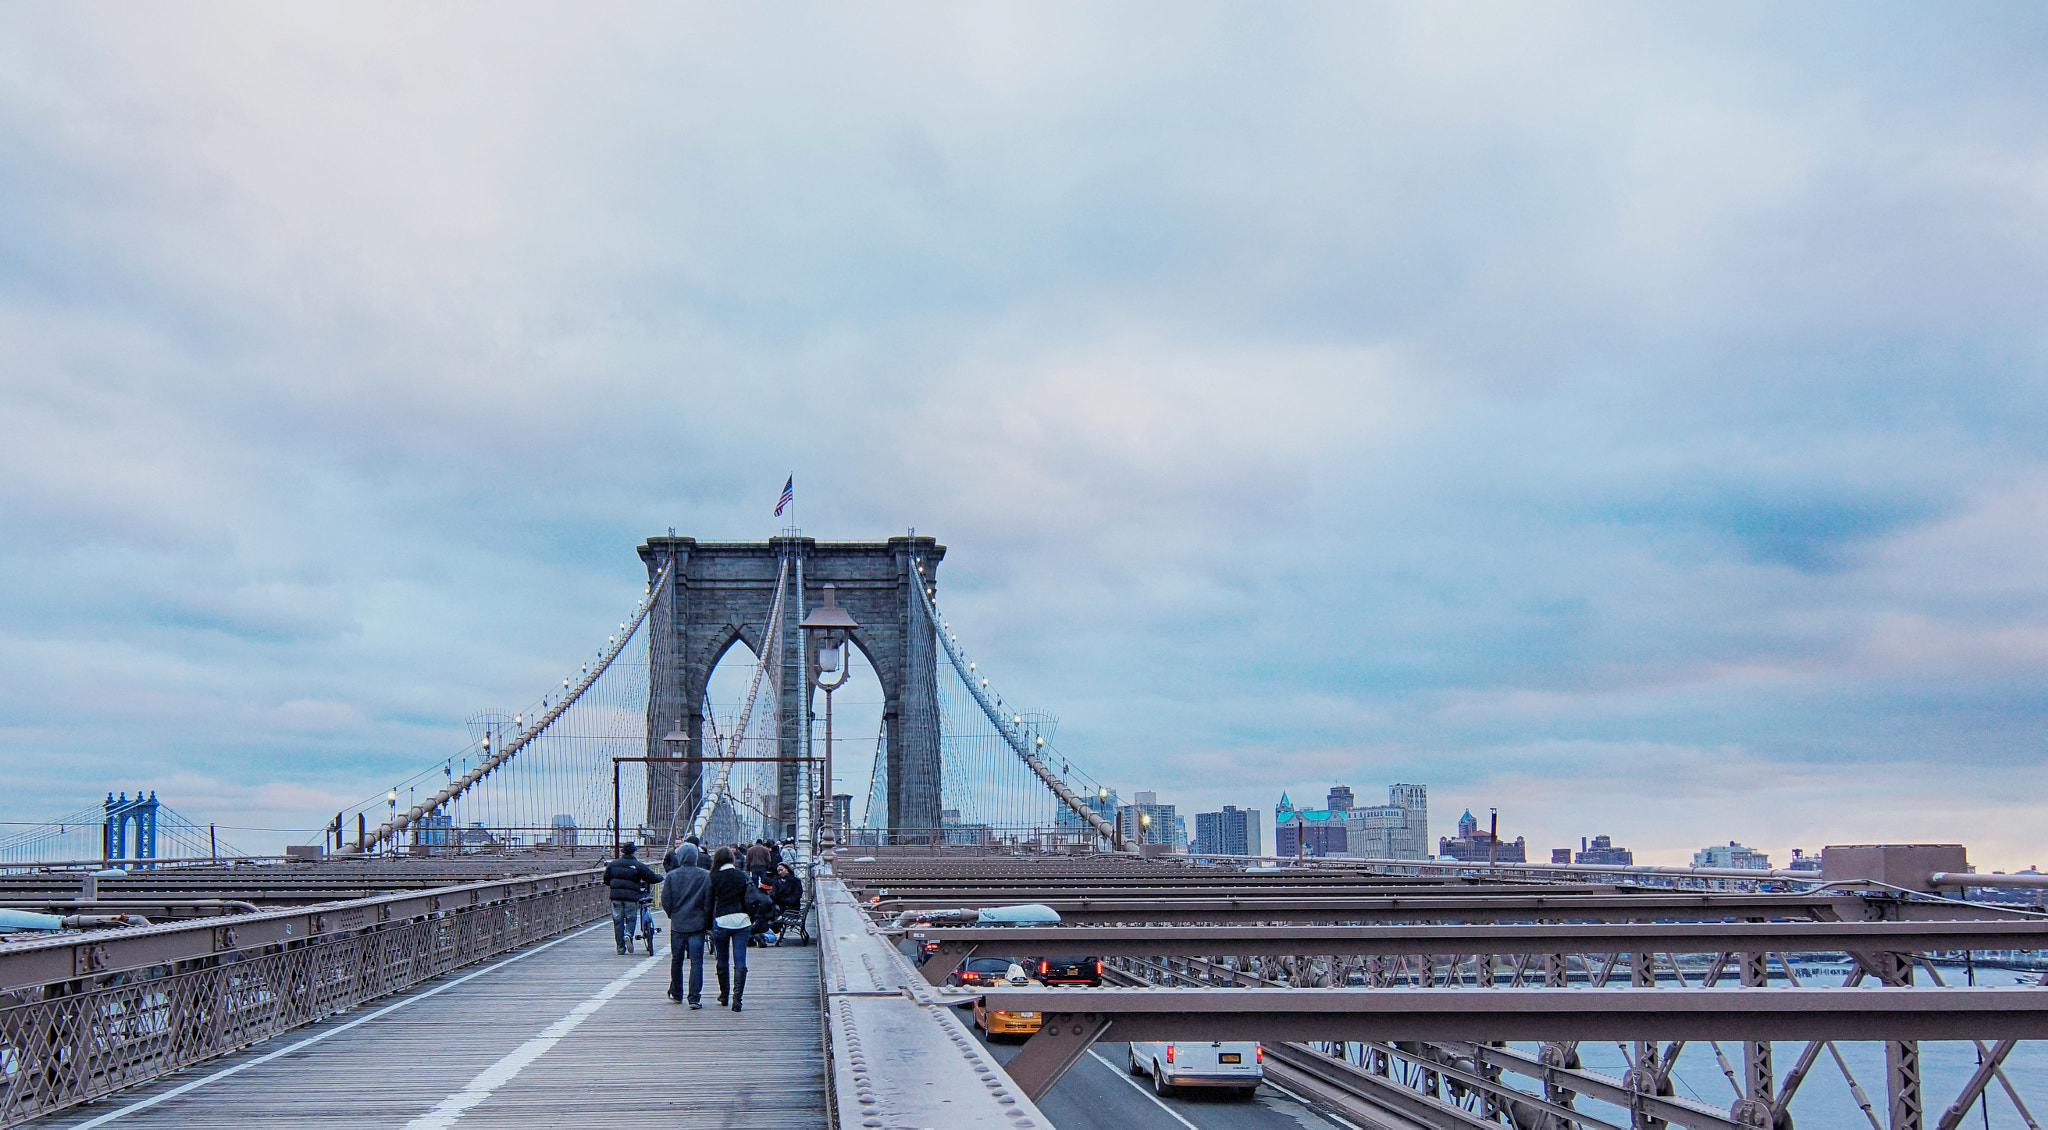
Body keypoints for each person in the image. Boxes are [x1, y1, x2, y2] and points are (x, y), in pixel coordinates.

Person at [660, 843, 711, 1008]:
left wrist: (673, 915)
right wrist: (706, 919)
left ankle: (677, 992)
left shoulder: (672, 876)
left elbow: (666, 900)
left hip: (678, 924)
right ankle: (694, 997)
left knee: (677, 960)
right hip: (698, 923)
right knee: (696, 962)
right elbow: (709, 900)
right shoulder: (705, 875)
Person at [709, 846, 752, 1010]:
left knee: (722, 959)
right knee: (740, 960)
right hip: (742, 920)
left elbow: (709, 902)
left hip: (721, 920)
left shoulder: (714, 877)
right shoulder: (742, 876)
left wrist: (708, 925)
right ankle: (738, 1000)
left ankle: (724, 994)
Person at [604, 843, 663, 955]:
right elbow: (650, 877)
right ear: (633, 852)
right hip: (631, 897)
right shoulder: (637, 865)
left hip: (616, 897)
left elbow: (606, 880)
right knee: (631, 918)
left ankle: (620, 948)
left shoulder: (612, 865)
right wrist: (660, 878)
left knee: (618, 920)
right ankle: (628, 935)